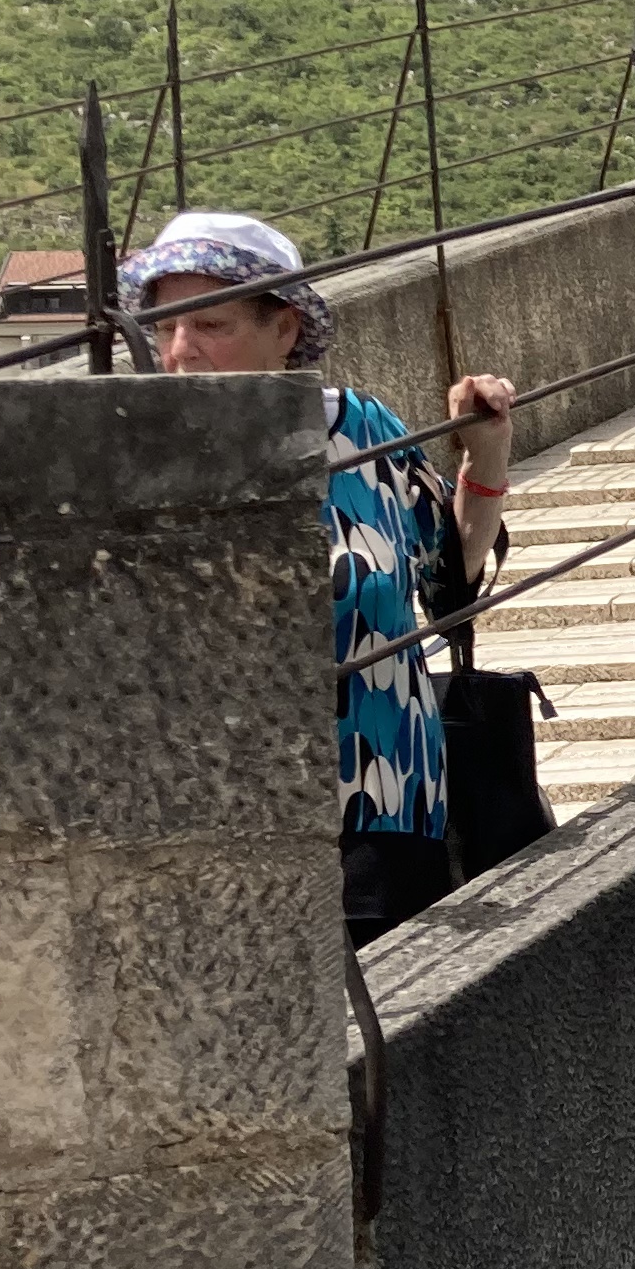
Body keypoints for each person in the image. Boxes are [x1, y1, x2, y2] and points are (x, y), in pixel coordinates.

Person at [122, 213, 515, 953]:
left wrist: (486, 455)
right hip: (221, 829)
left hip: (383, 808)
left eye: (211, 324)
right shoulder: (143, 457)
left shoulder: (360, 429)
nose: (181, 351)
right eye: (165, 327)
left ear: (284, 328)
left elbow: (447, 584)